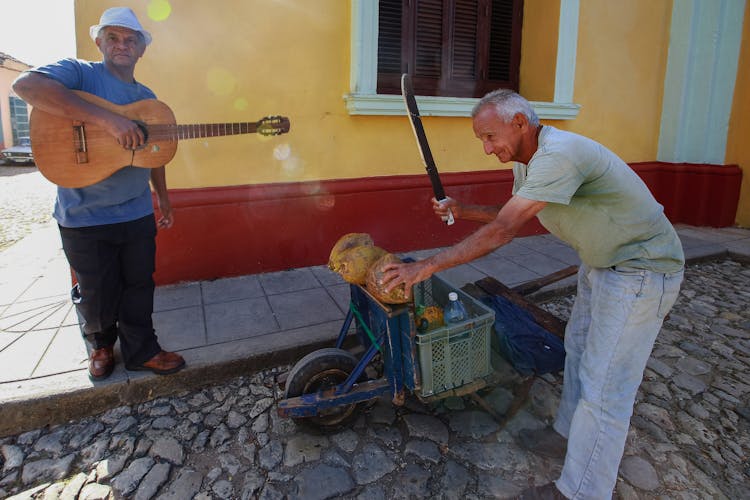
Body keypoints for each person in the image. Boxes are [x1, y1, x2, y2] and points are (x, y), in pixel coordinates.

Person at [383, 89, 684, 499]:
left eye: (490, 137)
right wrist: (463, 207)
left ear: (520, 122)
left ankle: (581, 492)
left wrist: (426, 266)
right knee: (577, 352)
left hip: (640, 271)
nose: (487, 149)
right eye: (482, 141)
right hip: (602, 264)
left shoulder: (559, 154)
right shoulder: (530, 161)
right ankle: (565, 438)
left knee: (605, 387)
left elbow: (505, 230)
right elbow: (519, 212)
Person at [12, 7, 185, 381]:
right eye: (113, 37)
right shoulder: (79, 73)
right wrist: (108, 119)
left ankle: (142, 351)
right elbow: (25, 86)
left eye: (131, 39)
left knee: (139, 285)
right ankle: (102, 347)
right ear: (99, 42)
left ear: (141, 49)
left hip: (135, 212)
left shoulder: (146, 98)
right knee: (96, 291)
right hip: (83, 214)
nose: (122, 45)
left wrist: (164, 198)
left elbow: (155, 153)